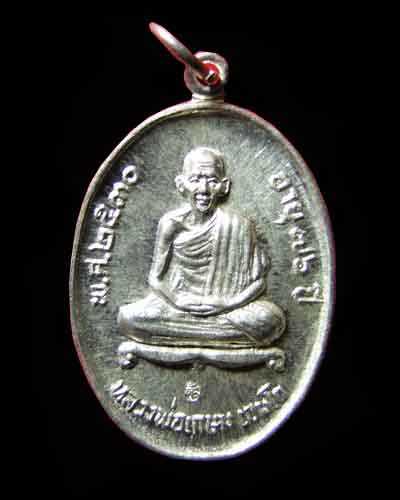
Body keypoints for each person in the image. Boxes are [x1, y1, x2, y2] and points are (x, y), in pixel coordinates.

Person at [118, 147, 285, 348]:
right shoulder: (171, 223)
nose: (204, 190)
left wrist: (227, 304)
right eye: (195, 179)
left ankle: (186, 338)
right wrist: (177, 301)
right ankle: (219, 338)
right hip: (180, 306)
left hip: (228, 308)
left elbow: (258, 283)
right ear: (181, 184)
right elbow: (155, 278)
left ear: (224, 186)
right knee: (128, 318)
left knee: (272, 320)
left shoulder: (239, 225)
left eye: (212, 181)